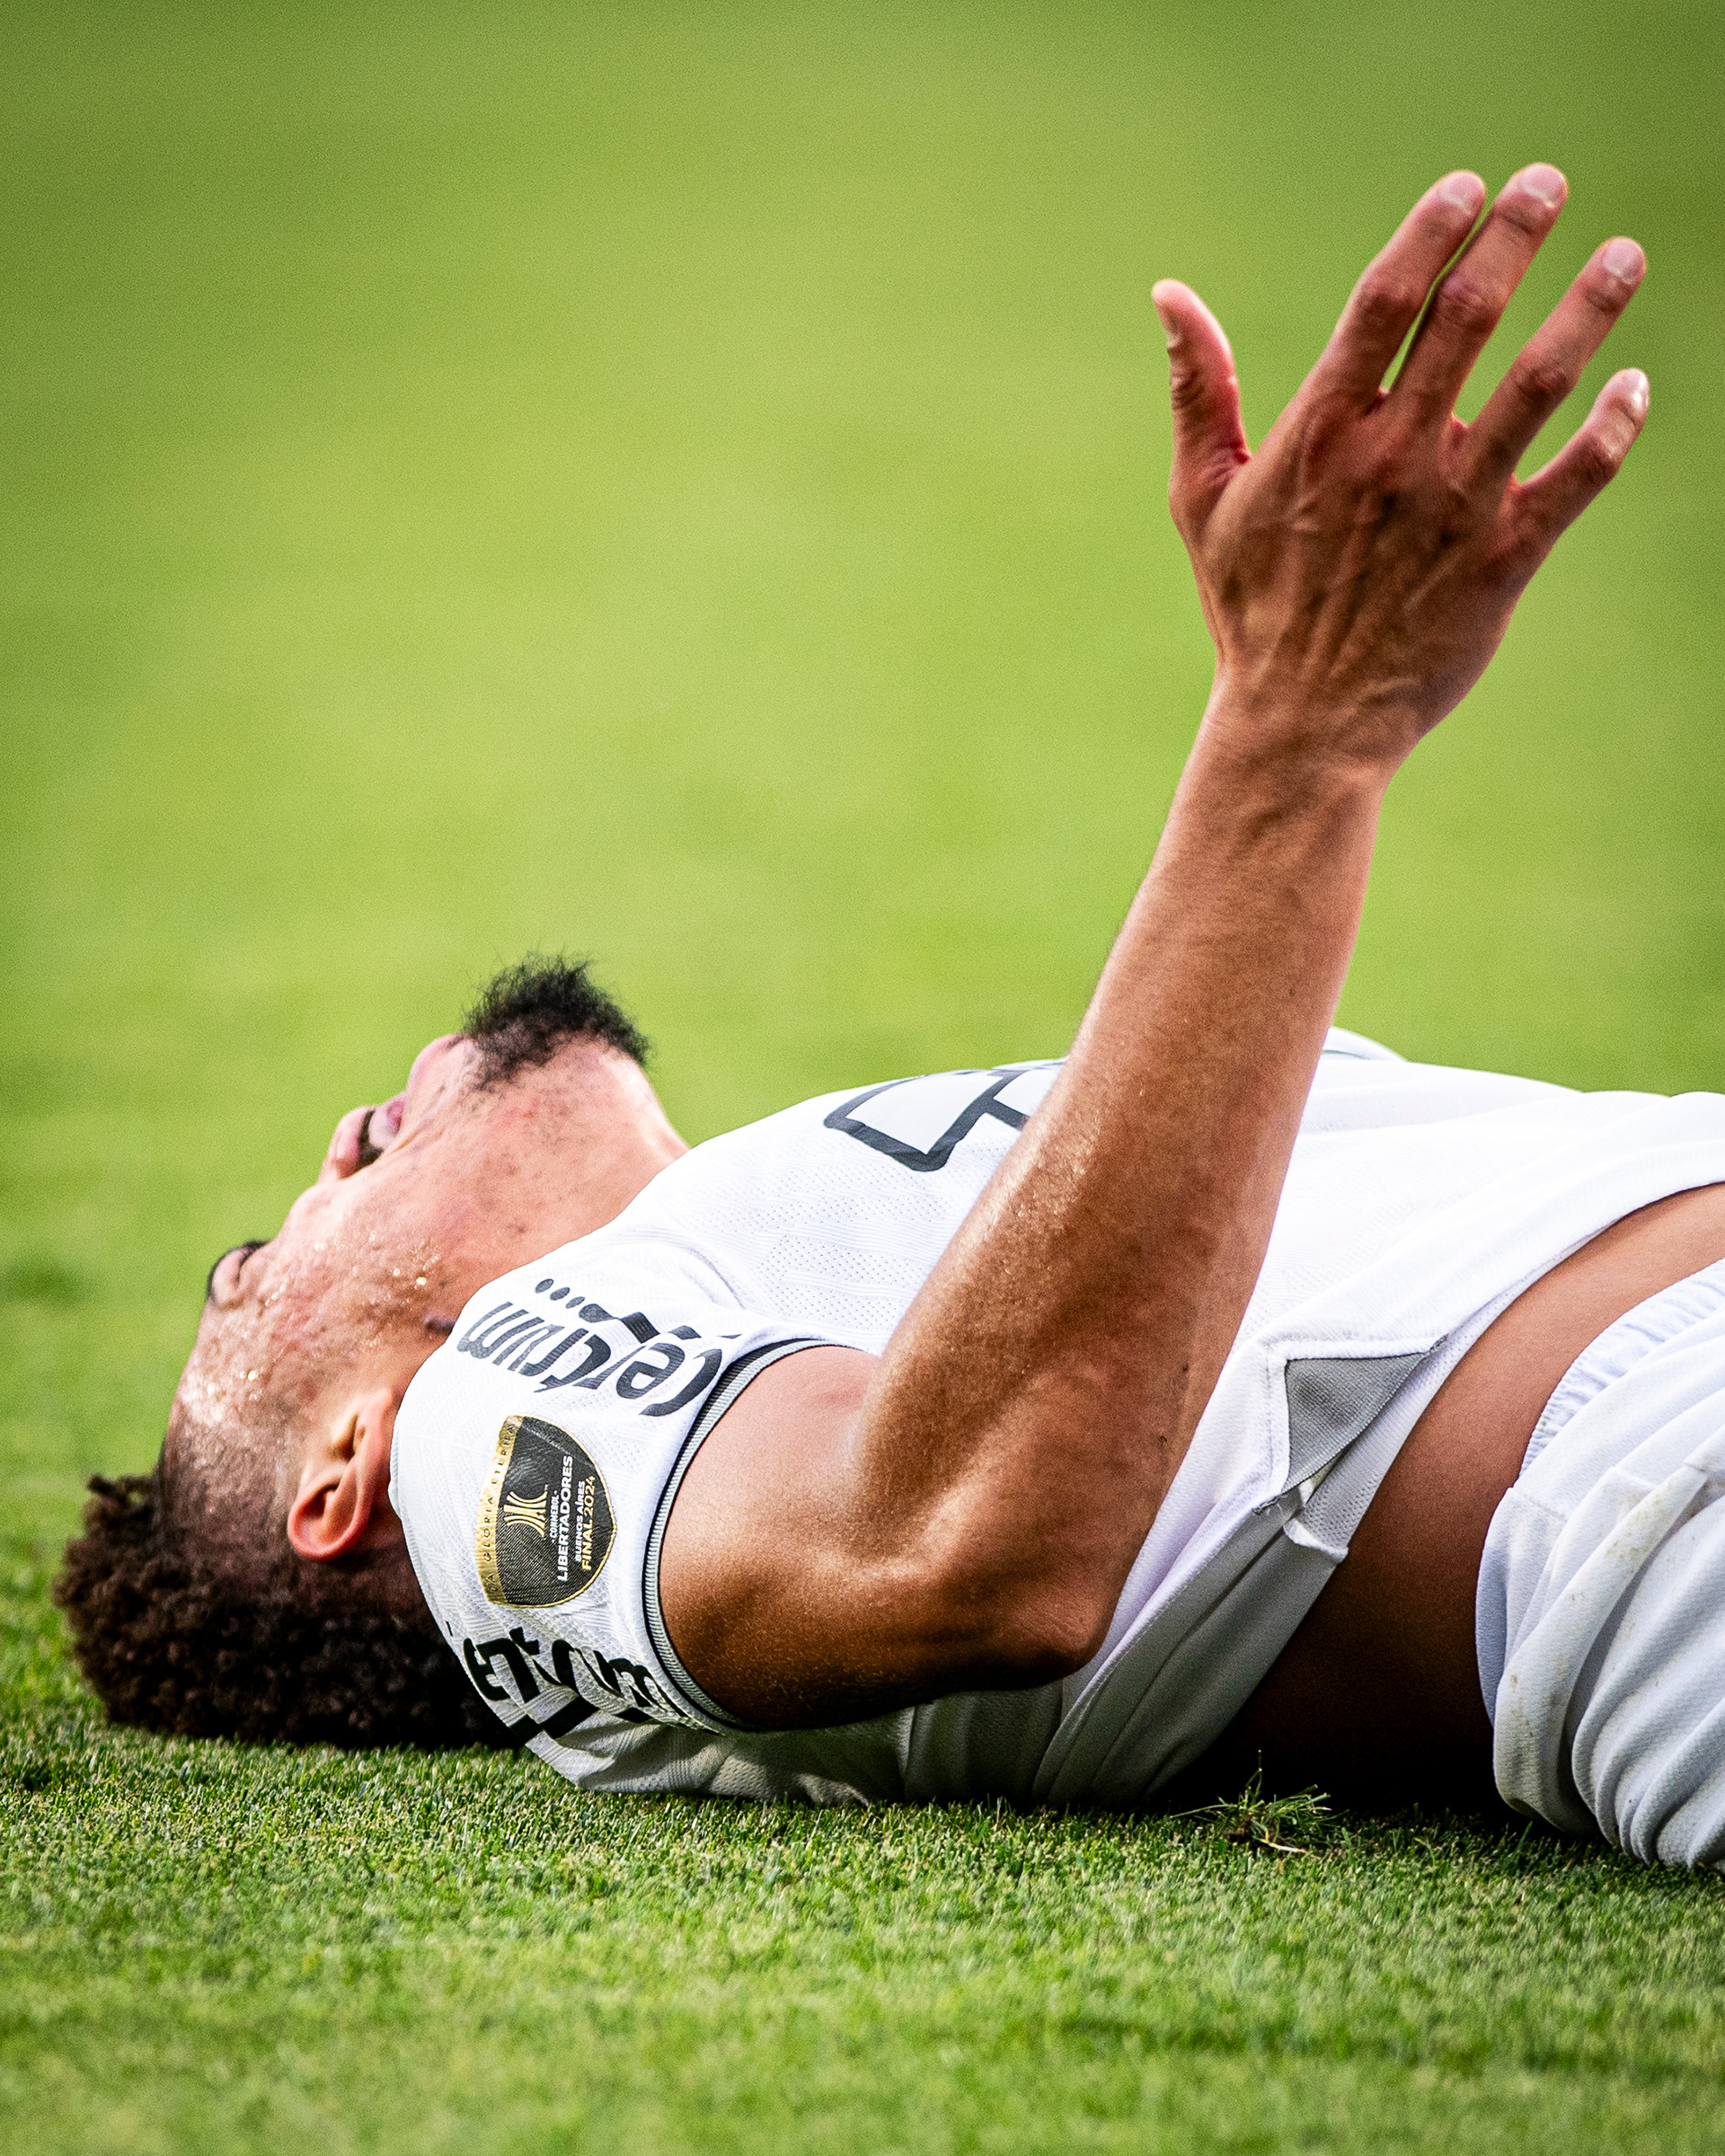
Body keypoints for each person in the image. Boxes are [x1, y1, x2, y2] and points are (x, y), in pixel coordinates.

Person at [58, 164, 1725, 1871]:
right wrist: (1302, 724)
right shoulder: (493, 1428)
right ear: (347, 1471)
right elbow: (959, 1549)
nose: (333, 1152)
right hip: (1662, 1472)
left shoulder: (748, 1285)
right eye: (259, 1263)